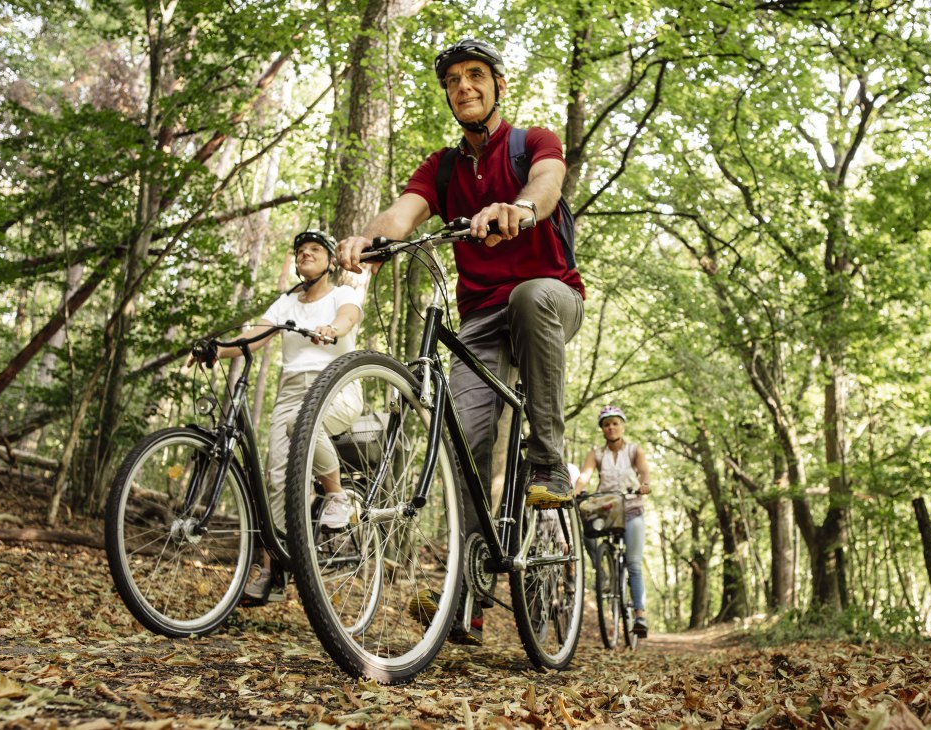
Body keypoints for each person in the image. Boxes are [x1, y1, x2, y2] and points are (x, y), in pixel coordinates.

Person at [335, 39, 585, 644]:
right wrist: (366, 242)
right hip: (481, 323)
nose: (464, 86)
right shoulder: (442, 168)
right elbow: (401, 215)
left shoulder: (533, 142)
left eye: (476, 75)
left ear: (498, 85)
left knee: (529, 296)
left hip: (550, 299)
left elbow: (547, 185)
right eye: (453, 80)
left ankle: (548, 459)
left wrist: (519, 209)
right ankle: (466, 593)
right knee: (463, 444)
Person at [196, 230, 365, 603]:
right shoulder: (286, 303)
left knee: (299, 425)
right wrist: (217, 350)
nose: (305, 254)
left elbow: (348, 318)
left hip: (335, 385)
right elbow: (253, 337)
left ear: (330, 261)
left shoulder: (342, 294)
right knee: (275, 478)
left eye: (315, 249)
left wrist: (332, 330)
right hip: (290, 391)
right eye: (300, 250)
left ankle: (337, 496)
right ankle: (270, 569)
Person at [573, 405, 651, 637]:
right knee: (587, 533)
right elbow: (585, 475)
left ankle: (640, 615)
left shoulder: (634, 450)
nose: (611, 427)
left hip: (632, 509)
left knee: (633, 563)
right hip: (606, 510)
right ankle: (603, 571)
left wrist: (645, 484)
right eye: (606, 424)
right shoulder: (596, 453)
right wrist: (576, 490)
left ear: (622, 426)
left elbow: (644, 472)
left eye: (615, 423)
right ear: (602, 429)